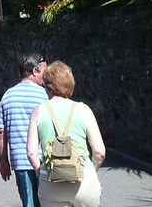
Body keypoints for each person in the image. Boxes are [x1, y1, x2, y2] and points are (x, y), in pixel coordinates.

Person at [26, 61, 106, 207]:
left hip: (51, 182)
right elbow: (100, 153)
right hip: (84, 181)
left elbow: (31, 153)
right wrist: (90, 170)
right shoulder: (84, 110)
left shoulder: (38, 111)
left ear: (47, 86)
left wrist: (41, 171)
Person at [0, 53, 49, 207]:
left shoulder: (8, 96)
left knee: (29, 203)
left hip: (20, 161)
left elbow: (2, 132)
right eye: (44, 72)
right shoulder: (45, 96)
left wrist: (3, 160)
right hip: (44, 161)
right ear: (35, 71)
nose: (46, 77)